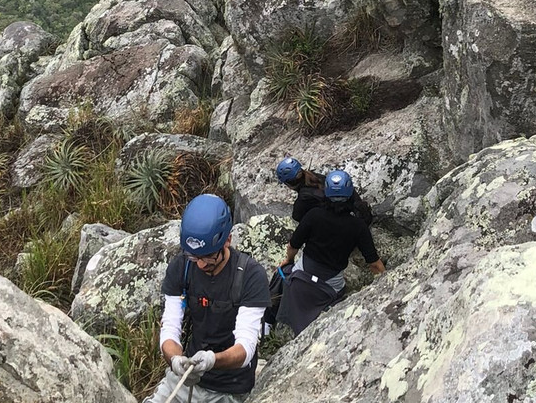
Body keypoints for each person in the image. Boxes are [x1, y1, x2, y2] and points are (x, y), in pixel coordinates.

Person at [145, 194, 271, 403]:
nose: (201, 264)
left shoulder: (250, 275)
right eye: (195, 257)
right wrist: (175, 359)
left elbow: (246, 347)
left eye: (209, 256)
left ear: (228, 240)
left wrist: (213, 360)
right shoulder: (182, 266)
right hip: (185, 379)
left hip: (230, 389)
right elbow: (170, 327)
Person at [276, 169, 384, 335]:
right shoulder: (358, 226)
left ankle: (271, 322)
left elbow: (293, 246)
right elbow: (374, 264)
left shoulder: (313, 215)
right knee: (339, 289)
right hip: (331, 284)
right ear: (350, 194)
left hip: (304, 272)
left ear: (325, 192)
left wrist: (288, 261)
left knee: (285, 274)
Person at [275, 156, 372, 224]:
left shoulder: (302, 201)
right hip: (361, 217)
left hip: (342, 231)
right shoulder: (319, 178)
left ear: (288, 184)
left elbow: (298, 218)